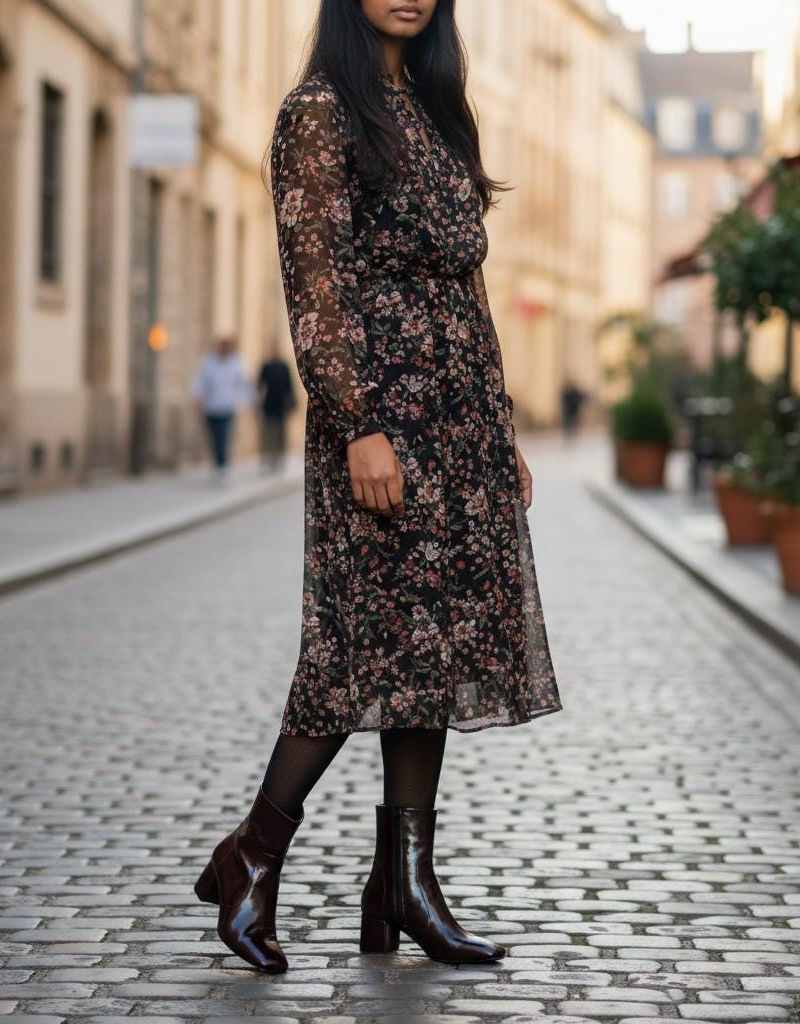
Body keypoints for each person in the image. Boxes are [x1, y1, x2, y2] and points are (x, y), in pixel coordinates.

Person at [193, 0, 562, 974]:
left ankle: (403, 883)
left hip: (460, 428)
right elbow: (313, 282)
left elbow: (467, 286)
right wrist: (357, 421)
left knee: (428, 651)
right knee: (355, 645)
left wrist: (502, 423)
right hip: (380, 422)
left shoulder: (441, 111)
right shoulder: (320, 110)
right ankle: (254, 857)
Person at [191, 336, 254, 478]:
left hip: (227, 406)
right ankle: (218, 463)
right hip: (211, 407)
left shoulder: (236, 364)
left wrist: (249, 402)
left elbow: (244, 384)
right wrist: (198, 395)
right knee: (214, 436)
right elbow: (200, 380)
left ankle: (223, 465)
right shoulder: (209, 362)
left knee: (223, 436)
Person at [256, 338, 297, 471]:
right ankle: (269, 456)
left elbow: (289, 386)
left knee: (280, 431)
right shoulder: (266, 366)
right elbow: (259, 384)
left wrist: (292, 402)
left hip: (281, 404)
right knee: (268, 431)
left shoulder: (284, 366)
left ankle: (279, 456)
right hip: (269, 402)